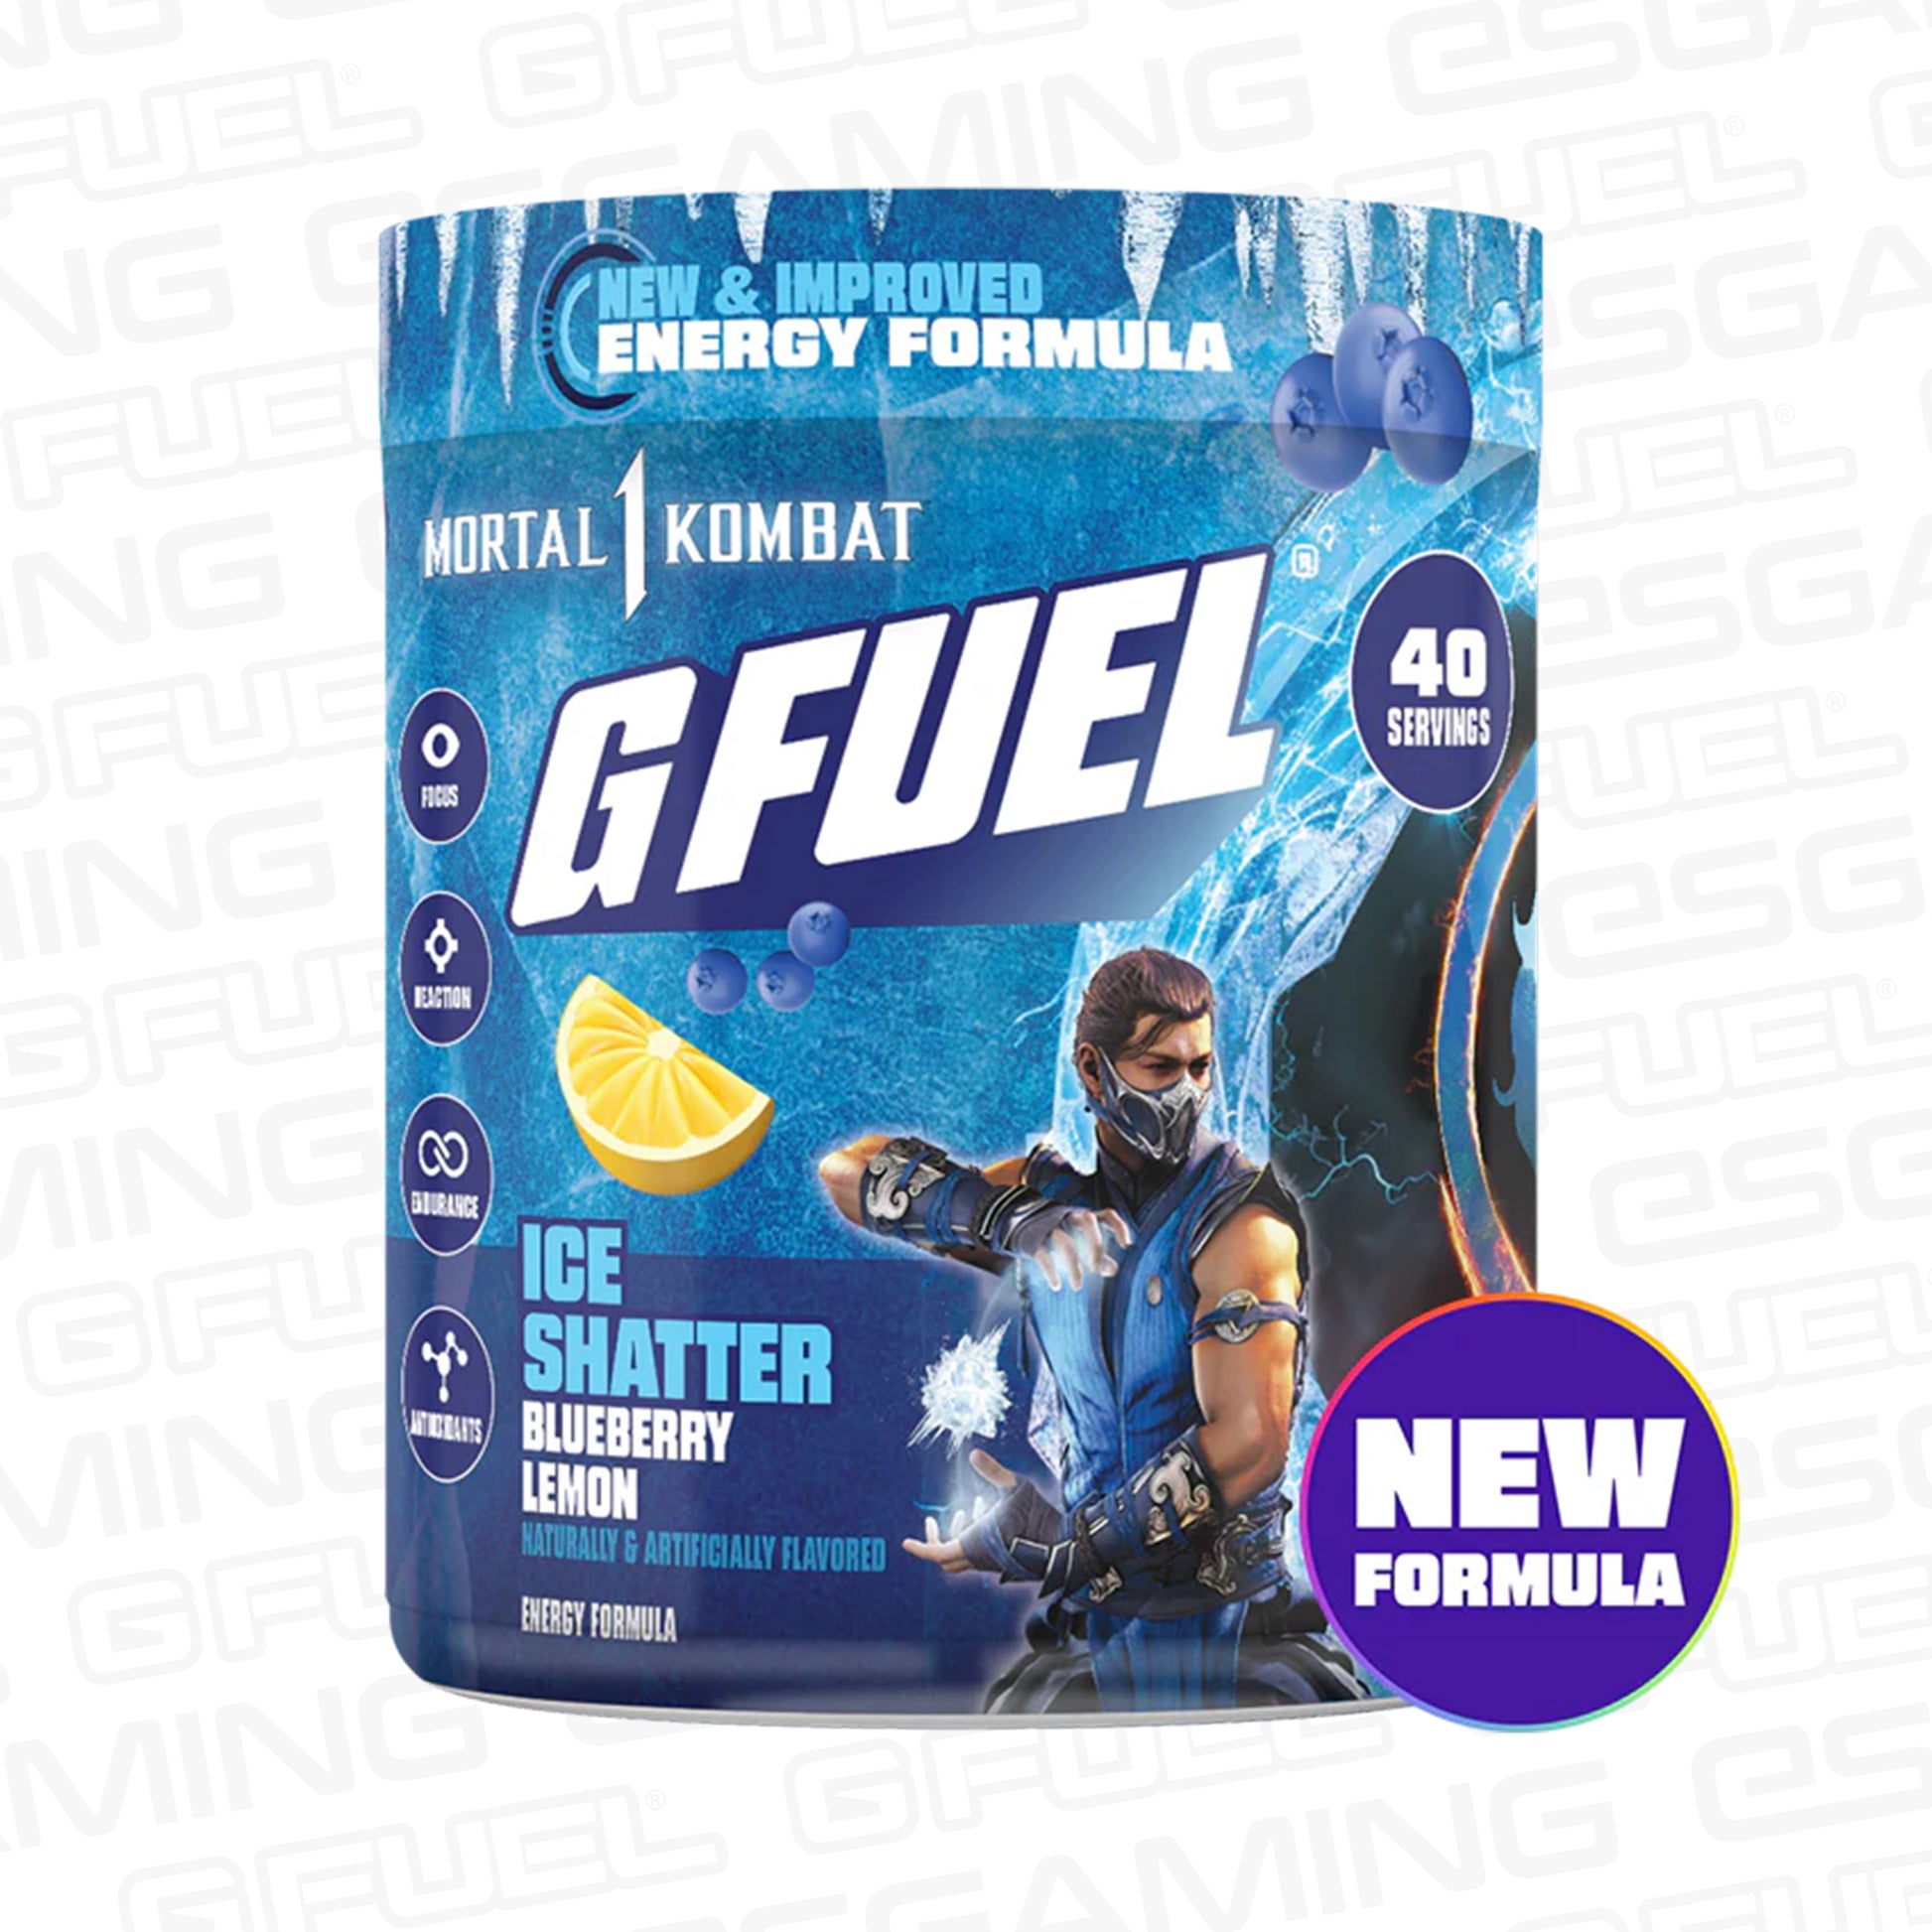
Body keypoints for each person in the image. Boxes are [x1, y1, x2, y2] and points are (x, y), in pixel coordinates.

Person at [818, 946, 1365, 1713]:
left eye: (1200, 1067)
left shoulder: (1243, 1222)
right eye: (1158, 1067)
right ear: (1092, 1069)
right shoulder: (1052, 1202)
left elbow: (1250, 1440)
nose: (1185, 1092)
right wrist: (1001, 1214)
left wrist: (1072, 1544)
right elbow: (845, 1174)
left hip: (1239, 1633)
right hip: (1093, 1628)